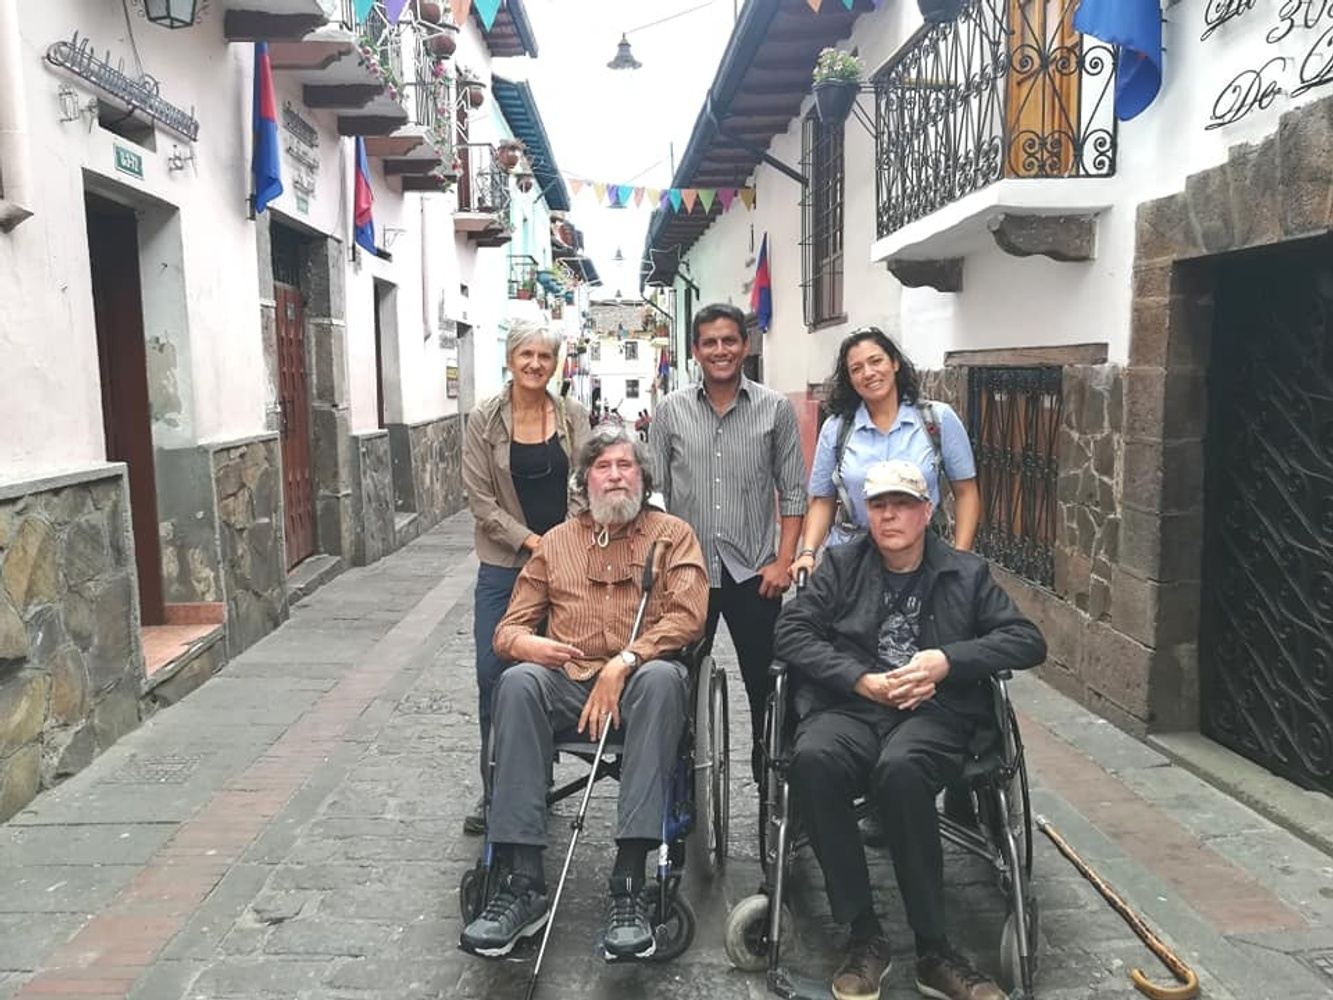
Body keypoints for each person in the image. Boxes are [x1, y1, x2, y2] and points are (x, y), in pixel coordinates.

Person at [776, 459, 1045, 1000]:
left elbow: (1026, 640)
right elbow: (792, 632)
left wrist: (948, 661)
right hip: (853, 708)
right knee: (813, 759)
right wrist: (859, 680)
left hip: (933, 713)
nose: (890, 515)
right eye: (879, 505)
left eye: (902, 504)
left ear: (927, 511)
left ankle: (934, 949)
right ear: (865, 513)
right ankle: (863, 935)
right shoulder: (841, 565)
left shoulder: (966, 574)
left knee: (901, 771)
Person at [459, 426, 708, 961]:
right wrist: (530, 645)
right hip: (569, 685)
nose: (615, 476)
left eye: (625, 465)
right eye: (603, 466)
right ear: (585, 481)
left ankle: (629, 881)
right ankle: (523, 882)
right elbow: (507, 631)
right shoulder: (556, 543)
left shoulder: (674, 536)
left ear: (643, 477)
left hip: (641, 685)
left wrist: (627, 660)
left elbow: (689, 615)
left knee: (665, 680)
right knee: (517, 682)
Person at [649, 302, 808, 783]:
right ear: (696, 351)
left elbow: (793, 490)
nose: (720, 350)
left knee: (768, 687)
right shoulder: (670, 410)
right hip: (686, 575)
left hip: (754, 575)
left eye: (729, 341)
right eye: (710, 343)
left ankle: (772, 789)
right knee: (676, 685)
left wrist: (784, 561)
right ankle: (679, 791)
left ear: (745, 345)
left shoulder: (775, 408)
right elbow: (655, 494)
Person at [460, 320, 590, 835]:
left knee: (551, 669)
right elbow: (480, 501)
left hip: (567, 567)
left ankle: (535, 776)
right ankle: (496, 790)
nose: (535, 364)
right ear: (510, 359)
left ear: (555, 363)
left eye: (544, 356)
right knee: (493, 674)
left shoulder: (573, 416)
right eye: (526, 354)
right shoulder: (484, 419)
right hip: (504, 565)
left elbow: (584, 484)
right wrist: (534, 543)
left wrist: (563, 544)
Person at [791, 327, 981, 580]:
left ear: (895, 363)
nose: (868, 373)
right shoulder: (837, 428)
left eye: (876, 361)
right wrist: (808, 553)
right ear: (850, 379)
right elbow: (822, 500)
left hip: (923, 560)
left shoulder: (937, 419)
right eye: (856, 369)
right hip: (852, 564)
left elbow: (966, 492)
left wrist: (960, 558)